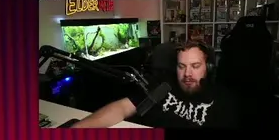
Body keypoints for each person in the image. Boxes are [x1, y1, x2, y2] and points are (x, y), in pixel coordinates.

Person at [72, 41, 239, 128]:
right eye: (181, 66)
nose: (187, 73)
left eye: (195, 66)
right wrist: (77, 129)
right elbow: (122, 108)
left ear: (208, 68)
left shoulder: (223, 101)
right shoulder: (161, 84)